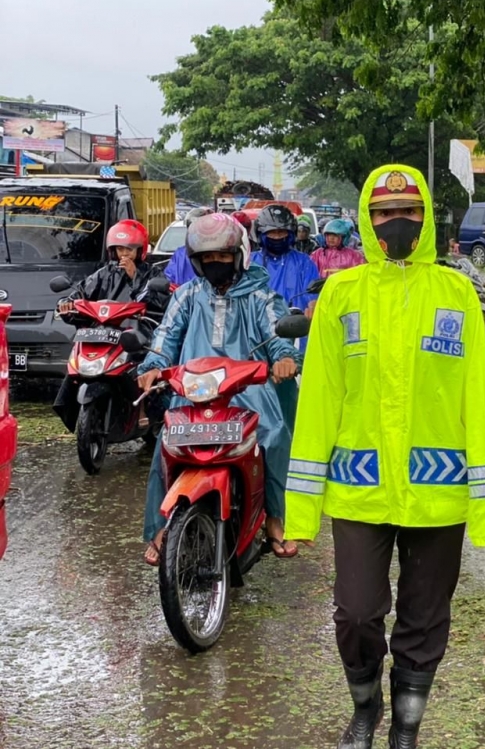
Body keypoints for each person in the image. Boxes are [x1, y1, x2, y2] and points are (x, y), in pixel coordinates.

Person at [284, 166, 485, 749]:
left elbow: (479, 404)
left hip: (439, 495)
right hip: (360, 490)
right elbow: (320, 400)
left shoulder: (456, 295)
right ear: (365, 219)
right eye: (382, 214)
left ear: (427, 216)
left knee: (423, 620)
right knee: (356, 613)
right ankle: (364, 708)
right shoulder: (341, 295)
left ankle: (405, 742)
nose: (395, 223)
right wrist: (300, 514)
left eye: (408, 210)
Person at [137, 212, 301, 566]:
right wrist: (152, 365)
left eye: (223, 257)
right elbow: (166, 335)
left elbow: (276, 332)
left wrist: (284, 356)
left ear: (238, 255)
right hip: (195, 389)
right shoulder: (189, 296)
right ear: (196, 261)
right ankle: (163, 523)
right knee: (168, 443)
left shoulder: (259, 295)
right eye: (207, 258)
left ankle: (275, 517)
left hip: (249, 389)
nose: (215, 264)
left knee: (273, 435)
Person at [53, 219, 169, 430]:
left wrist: (134, 276)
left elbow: (156, 300)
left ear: (140, 250)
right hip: (102, 332)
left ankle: (145, 408)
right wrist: (66, 305)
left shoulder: (151, 274)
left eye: (129, 249)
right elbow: (80, 293)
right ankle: (67, 406)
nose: (124, 253)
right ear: (112, 250)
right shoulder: (103, 273)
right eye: (119, 249)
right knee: (75, 364)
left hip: (136, 330)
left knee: (145, 360)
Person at [250, 204, 319, 429]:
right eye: (272, 233)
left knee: (292, 404)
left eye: (281, 233)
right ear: (261, 234)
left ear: (290, 234)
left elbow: (314, 296)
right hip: (257, 337)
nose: (277, 237)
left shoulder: (304, 262)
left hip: (296, 335)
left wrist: (314, 306)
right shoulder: (249, 263)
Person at [163, 207, 211, 288]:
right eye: (193, 229)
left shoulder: (217, 253)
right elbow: (169, 278)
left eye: (201, 230)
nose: (197, 234)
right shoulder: (180, 253)